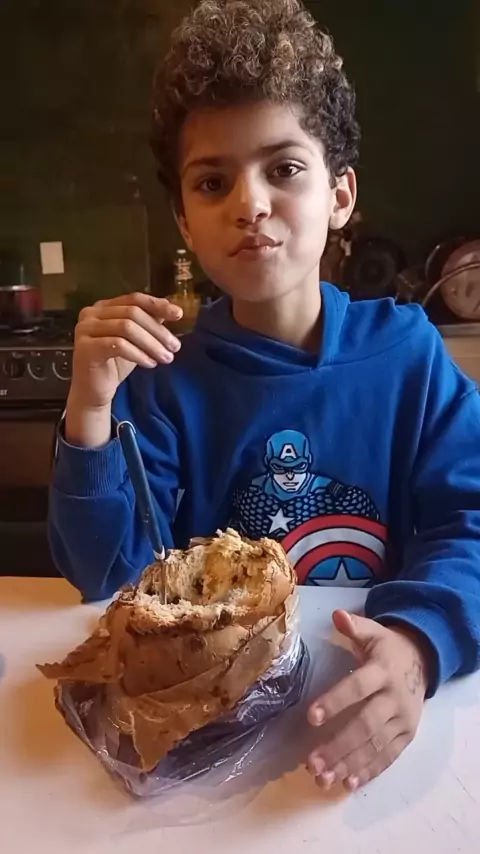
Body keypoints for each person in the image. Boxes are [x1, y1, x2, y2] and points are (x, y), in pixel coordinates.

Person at [49, 0, 480, 792]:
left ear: (340, 194)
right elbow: (105, 577)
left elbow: (472, 519)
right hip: (212, 739)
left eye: (283, 168)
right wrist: (90, 412)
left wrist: (421, 643)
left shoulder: (409, 355)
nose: (249, 204)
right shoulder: (165, 378)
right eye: (214, 182)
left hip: (368, 712)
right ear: (185, 220)